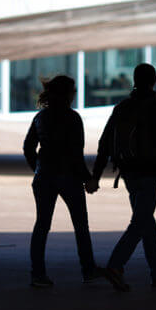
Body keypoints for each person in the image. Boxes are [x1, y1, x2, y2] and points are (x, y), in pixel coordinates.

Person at [90, 63, 156, 292]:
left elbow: (104, 143)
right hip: (151, 172)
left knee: (146, 222)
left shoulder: (122, 107)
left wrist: (96, 174)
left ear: (134, 80)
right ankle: (115, 265)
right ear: (154, 81)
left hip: (129, 173)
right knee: (141, 222)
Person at [20, 75, 101, 287]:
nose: (74, 94)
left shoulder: (40, 117)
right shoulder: (73, 118)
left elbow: (28, 147)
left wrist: (37, 169)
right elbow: (76, 155)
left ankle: (37, 275)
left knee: (42, 225)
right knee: (80, 225)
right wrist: (88, 179)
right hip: (69, 178)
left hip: (44, 176)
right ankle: (88, 270)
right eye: (73, 91)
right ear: (67, 94)